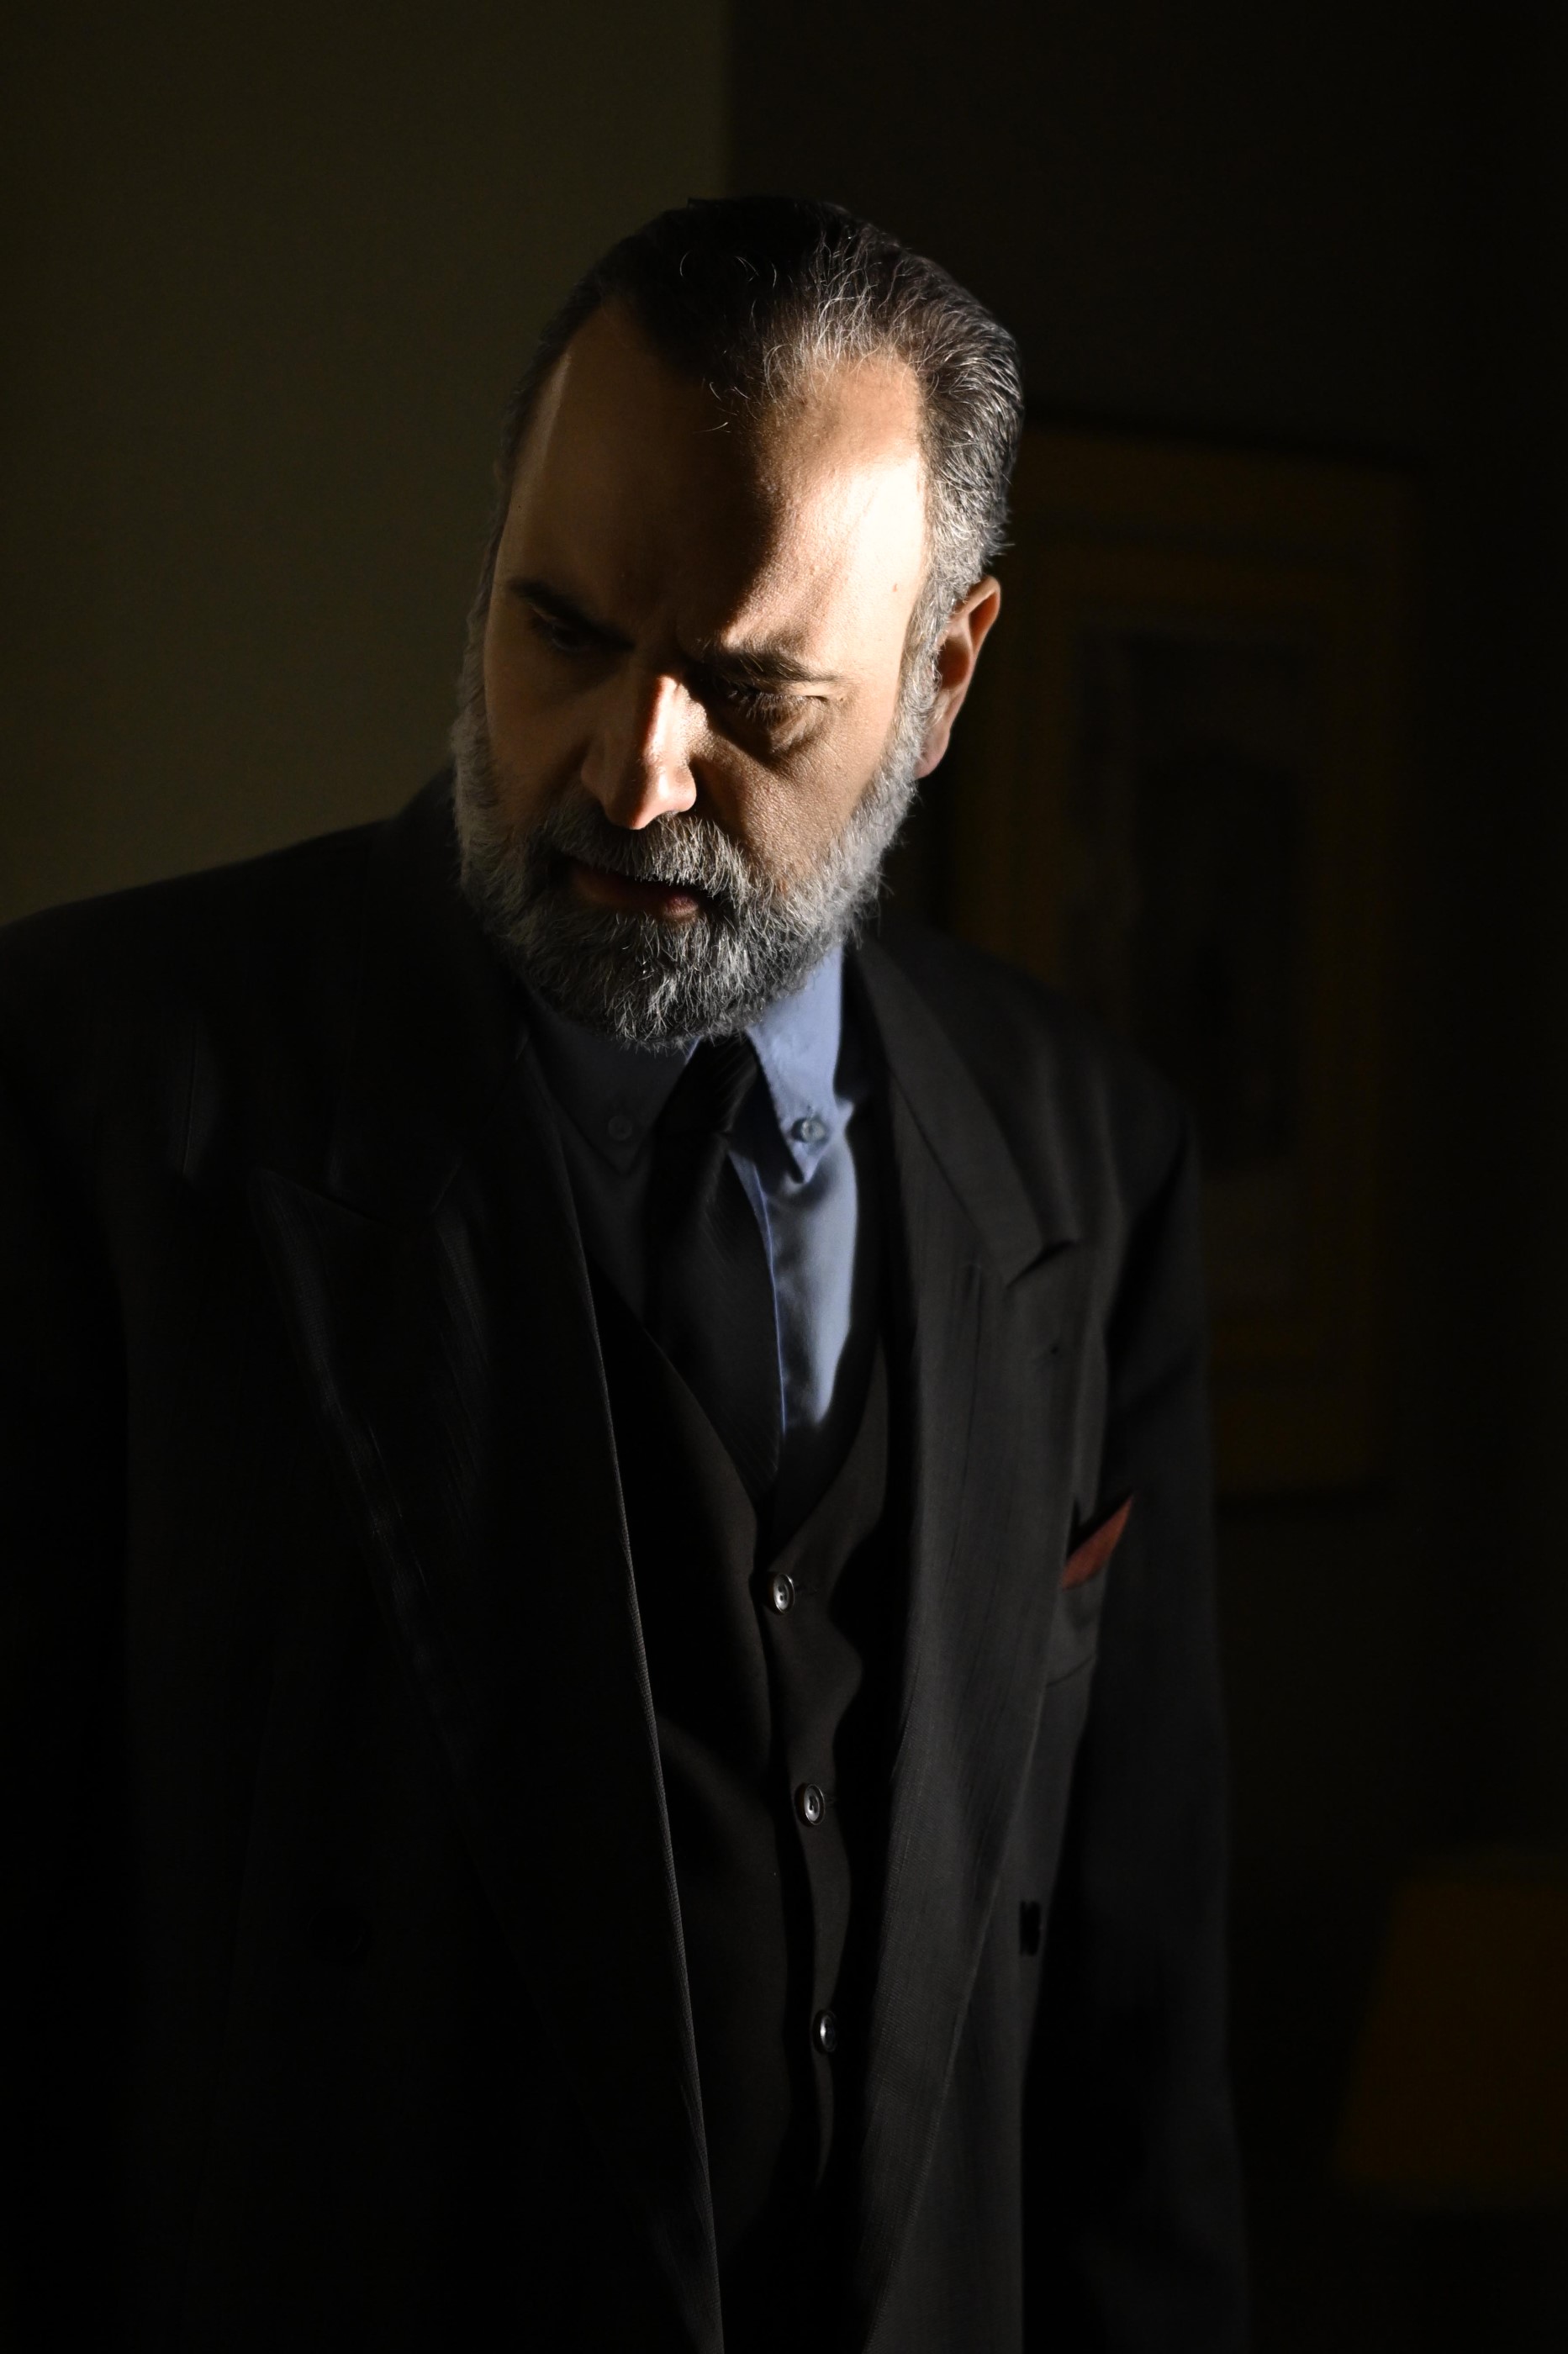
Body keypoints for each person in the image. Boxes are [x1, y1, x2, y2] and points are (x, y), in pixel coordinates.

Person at [0, 198, 1244, 2351]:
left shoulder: (1085, 1157)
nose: (627, 763)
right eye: (560, 626)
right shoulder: (85, 1097)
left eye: (753, 692)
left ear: (943, 680)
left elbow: (1135, 2056)